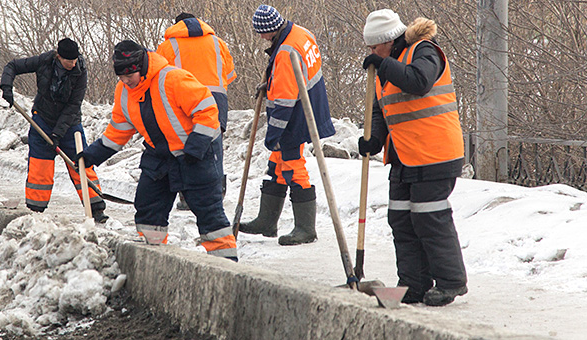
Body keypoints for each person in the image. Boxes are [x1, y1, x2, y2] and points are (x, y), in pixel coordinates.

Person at [79, 40, 237, 261]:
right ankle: (152, 259)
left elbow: (208, 111)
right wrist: (91, 155)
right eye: (121, 77)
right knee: (148, 210)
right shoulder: (124, 92)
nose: (125, 81)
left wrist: (196, 146)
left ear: (140, 68)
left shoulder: (173, 79)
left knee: (210, 215)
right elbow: (119, 129)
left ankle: (227, 265)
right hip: (159, 158)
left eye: (129, 76)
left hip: (195, 155)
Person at [358, 9, 468, 306]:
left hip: (435, 153)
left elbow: (419, 81)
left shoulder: (424, 51)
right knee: (402, 219)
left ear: (388, 41)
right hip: (404, 156)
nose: (371, 52)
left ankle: (451, 281)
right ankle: (413, 283)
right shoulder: (386, 66)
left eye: (374, 47)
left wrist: (383, 64)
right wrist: (374, 140)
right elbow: (382, 109)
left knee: (430, 219)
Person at [238, 5, 335, 246]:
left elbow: (283, 102)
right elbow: (295, 75)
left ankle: (305, 229)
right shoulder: (301, 33)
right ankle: (266, 221)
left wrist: (274, 134)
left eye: (261, 33)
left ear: (270, 30)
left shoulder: (285, 52)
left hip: (297, 115)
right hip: (310, 104)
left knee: (292, 165)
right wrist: (271, 83)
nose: (260, 37)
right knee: (277, 164)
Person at [0, 38, 108, 223]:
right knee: (40, 166)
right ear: (59, 57)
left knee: (81, 164)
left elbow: (74, 105)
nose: (73, 64)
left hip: (70, 124)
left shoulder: (80, 71)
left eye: (75, 60)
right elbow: (13, 66)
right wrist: (6, 86)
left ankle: (96, 208)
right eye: (69, 61)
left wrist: (58, 133)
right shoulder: (45, 61)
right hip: (42, 119)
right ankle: (36, 211)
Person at [156, 12, 237, 211]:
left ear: (176, 26)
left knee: (187, 145)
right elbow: (229, 75)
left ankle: (187, 196)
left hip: (184, 100)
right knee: (214, 146)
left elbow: (158, 78)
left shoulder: (167, 46)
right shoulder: (219, 43)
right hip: (216, 99)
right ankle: (216, 193)